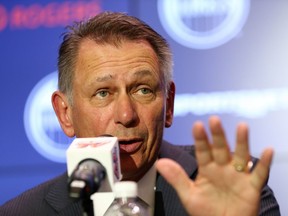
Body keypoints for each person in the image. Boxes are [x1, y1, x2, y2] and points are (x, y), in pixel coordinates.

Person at [0, 11, 280, 216]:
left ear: (168, 105)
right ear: (65, 114)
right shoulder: (23, 212)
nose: (126, 114)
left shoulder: (235, 186)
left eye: (143, 90)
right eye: (103, 93)